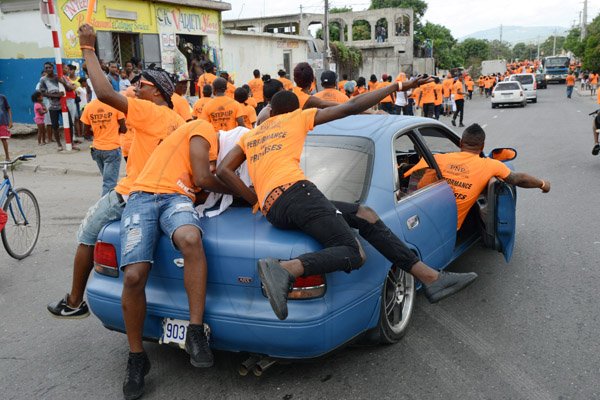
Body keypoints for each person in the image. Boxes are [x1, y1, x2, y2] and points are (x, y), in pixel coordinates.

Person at [217, 76, 478, 321]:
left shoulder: (251, 136)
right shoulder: (297, 119)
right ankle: (286, 270)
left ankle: (431, 278)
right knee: (354, 253)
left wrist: (256, 198)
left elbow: (223, 170)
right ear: (293, 111)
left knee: (366, 215)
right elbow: (352, 106)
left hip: (276, 208)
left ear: (271, 113)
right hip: (297, 192)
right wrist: (397, 87)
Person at [47, 23, 184, 334]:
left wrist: (87, 48)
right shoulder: (176, 118)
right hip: (165, 193)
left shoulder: (153, 113)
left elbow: (105, 93)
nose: (135, 88)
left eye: (142, 85)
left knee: (86, 233)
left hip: (132, 191)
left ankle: (74, 301)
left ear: (157, 92)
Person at [119, 117, 230, 399]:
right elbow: (204, 178)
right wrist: (243, 191)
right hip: (142, 196)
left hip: (178, 199)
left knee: (191, 239)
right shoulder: (204, 127)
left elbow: (201, 184)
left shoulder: (202, 145)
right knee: (133, 276)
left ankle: (195, 332)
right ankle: (137, 358)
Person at [405, 123, 550, 230]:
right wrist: (543, 184)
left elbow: (413, 181)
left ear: (461, 143)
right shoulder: (491, 165)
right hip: (448, 228)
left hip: (418, 219)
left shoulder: (436, 159)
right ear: (482, 146)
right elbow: (519, 179)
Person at [80, 98, 126, 195]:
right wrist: (112, 131)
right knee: (109, 183)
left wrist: (98, 132)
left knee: (107, 180)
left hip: (97, 149)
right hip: (112, 149)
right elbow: (124, 129)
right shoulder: (115, 105)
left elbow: (85, 132)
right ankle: (106, 207)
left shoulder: (89, 106)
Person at [38, 62, 67, 151]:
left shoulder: (59, 77)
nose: (48, 69)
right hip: (52, 106)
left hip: (63, 105)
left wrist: (63, 82)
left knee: (68, 123)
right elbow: (42, 92)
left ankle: (71, 142)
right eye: (46, 68)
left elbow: (69, 89)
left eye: (50, 67)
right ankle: (59, 144)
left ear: (53, 68)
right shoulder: (43, 79)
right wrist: (56, 95)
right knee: (55, 125)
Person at [0, 86, 12, 160]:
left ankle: (7, 157)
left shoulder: (2, 97)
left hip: (3, 121)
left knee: (4, 139)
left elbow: (8, 108)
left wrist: (10, 120)